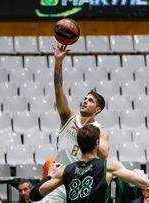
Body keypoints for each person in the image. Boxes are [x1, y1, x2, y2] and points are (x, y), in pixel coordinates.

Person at [42, 43, 110, 202]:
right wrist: (58, 63)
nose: (85, 101)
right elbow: (58, 89)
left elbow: (104, 154)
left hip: (81, 183)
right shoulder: (68, 117)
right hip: (58, 180)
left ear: (98, 109)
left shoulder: (101, 130)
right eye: (85, 98)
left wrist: (82, 130)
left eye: (90, 100)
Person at [30, 125, 149, 203]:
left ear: (78, 144)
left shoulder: (65, 170)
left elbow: (34, 195)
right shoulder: (109, 166)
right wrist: (140, 174)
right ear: (97, 143)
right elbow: (145, 184)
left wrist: (50, 175)